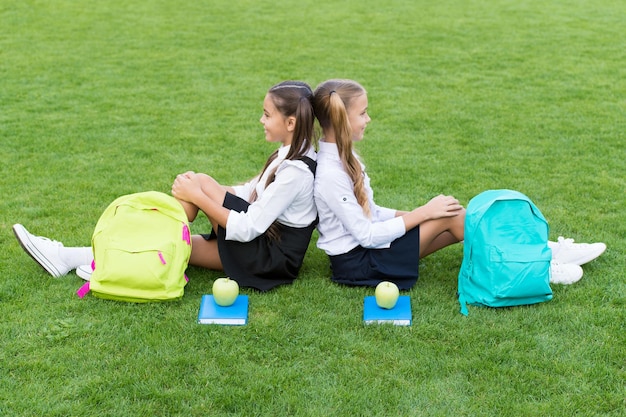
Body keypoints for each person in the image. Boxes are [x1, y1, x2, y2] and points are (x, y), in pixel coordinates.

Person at [13, 80, 319, 291]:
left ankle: (87, 258)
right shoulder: (291, 153)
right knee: (175, 239)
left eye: (267, 115)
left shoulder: (296, 173)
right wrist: (201, 189)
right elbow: (248, 193)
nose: (261, 120)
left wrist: (198, 195)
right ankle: (67, 256)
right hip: (260, 246)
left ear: (290, 123)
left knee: (196, 191)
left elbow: (249, 226)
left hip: (268, 258)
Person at [310, 79, 606, 289]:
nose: (368, 118)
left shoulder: (345, 158)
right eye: (362, 113)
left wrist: (417, 214)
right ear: (341, 120)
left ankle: (544, 252)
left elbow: (370, 212)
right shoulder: (330, 174)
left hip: (371, 253)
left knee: (455, 217)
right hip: (359, 264)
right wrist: (424, 214)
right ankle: (538, 264)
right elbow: (366, 235)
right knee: (449, 218)